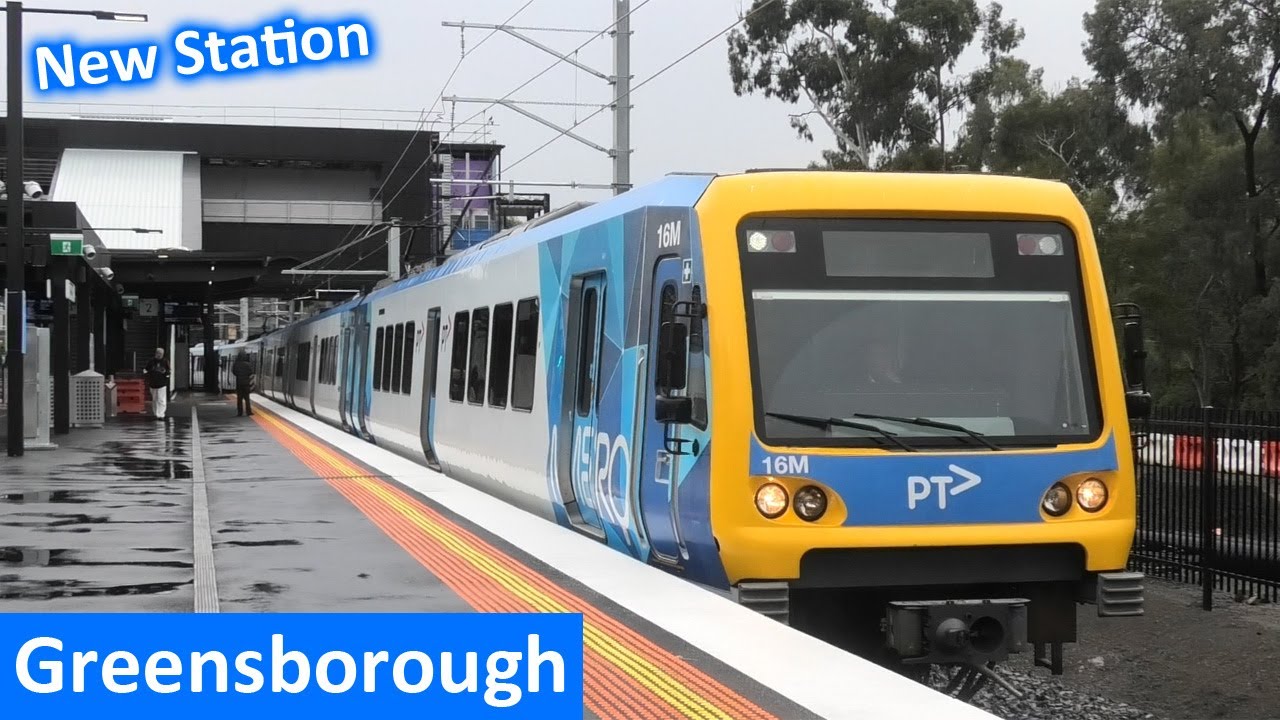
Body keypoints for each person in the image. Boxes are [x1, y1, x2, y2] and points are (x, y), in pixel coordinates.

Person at [144, 347, 171, 420]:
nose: (159, 355)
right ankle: (156, 413)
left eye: (161, 354)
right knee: (155, 399)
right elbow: (146, 369)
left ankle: (161, 414)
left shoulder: (165, 361)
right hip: (152, 383)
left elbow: (168, 371)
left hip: (162, 383)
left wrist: (166, 376)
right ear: (156, 353)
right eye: (158, 353)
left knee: (161, 399)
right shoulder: (151, 361)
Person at [232, 351, 255, 417]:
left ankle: (240, 412)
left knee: (239, 399)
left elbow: (234, 372)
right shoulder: (248, 364)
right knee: (247, 398)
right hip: (246, 383)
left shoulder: (236, 364)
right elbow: (250, 372)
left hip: (239, 383)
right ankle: (249, 412)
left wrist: (239, 375)